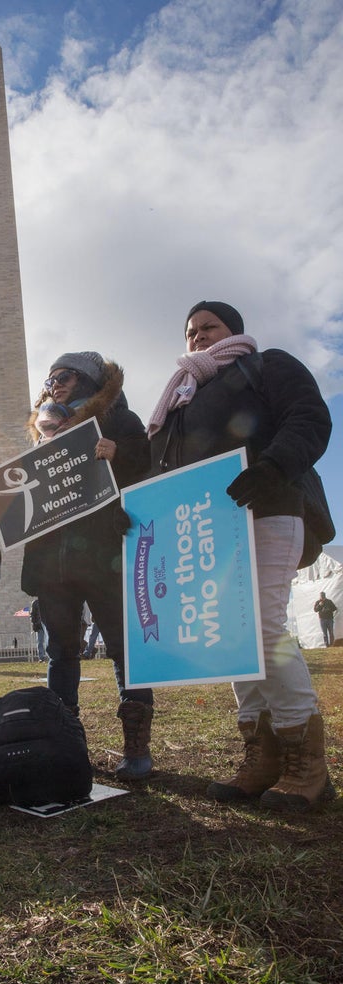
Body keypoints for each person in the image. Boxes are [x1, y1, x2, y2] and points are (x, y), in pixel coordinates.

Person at [147, 299, 335, 812]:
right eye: (191, 330)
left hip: (271, 504)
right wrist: (136, 511)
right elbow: (158, 472)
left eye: (210, 326)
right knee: (232, 635)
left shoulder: (267, 364)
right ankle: (262, 755)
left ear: (235, 330)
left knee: (263, 625)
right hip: (205, 528)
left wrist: (273, 466)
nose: (199, 336)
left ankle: (307, 764)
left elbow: (309, 417)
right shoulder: (178, 399)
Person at [22, 351, 153, 779]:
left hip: (104, 552)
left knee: (121, 647)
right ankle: (65, 743)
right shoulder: (44, 431)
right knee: (60, 651)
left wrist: (119, 454)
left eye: (65, 376)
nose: (55, 383)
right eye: (51, 377)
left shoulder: (119, 420)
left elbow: (149, 466)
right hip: (53, 559)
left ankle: (136, 747)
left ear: (88, 381)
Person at [30, 597, 48, 662]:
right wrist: (34, 624)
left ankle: (48, 656)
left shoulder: (47, 601)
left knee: (48, 641)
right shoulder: (35, 603)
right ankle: (41, 657)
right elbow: (32, 615)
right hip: (39, 625)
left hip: (47, 625)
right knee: (40, 642)